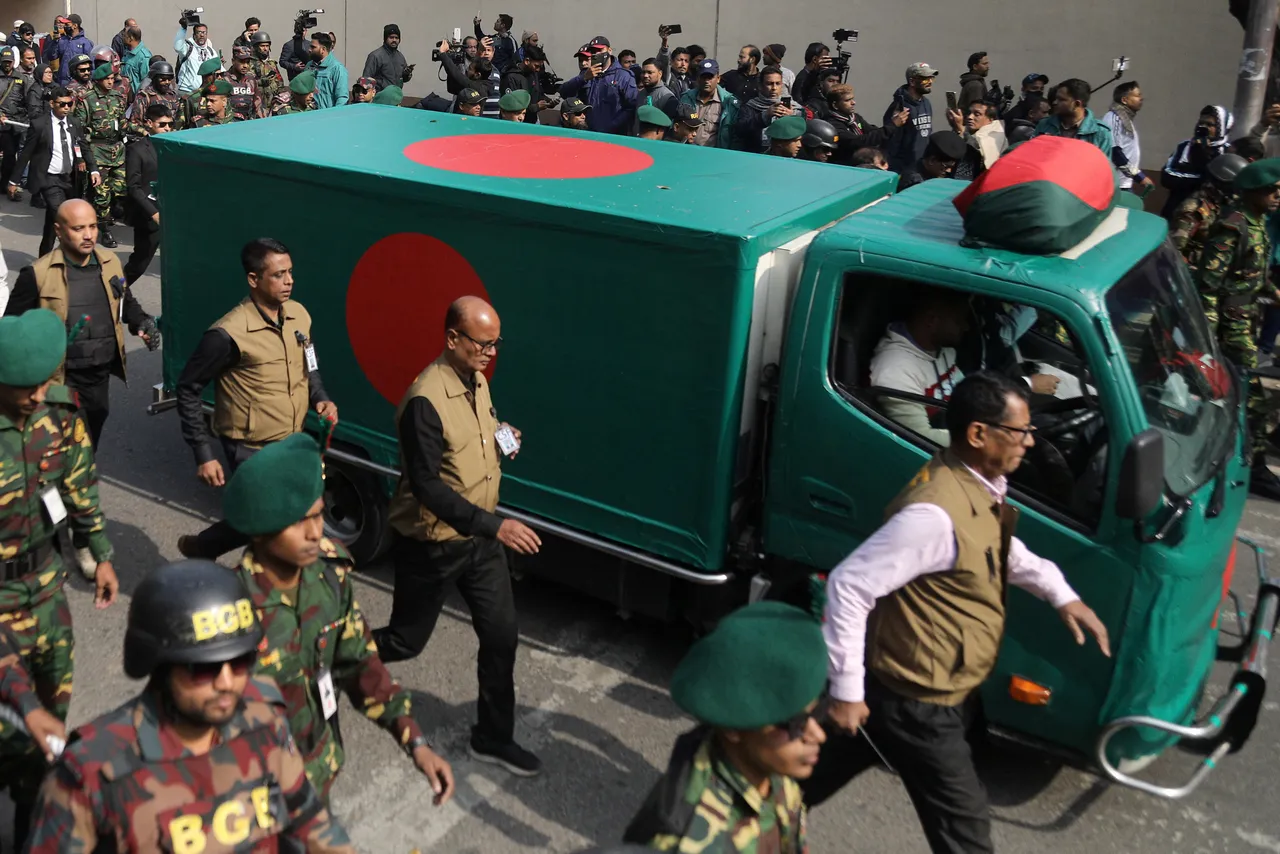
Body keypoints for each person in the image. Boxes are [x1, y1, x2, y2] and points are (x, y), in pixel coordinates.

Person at [805, 371, 1111, 853]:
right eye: (1020, 431)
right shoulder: (933, 515)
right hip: (919, 703)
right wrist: (846, 691)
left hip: (908, 689)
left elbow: (998, 549)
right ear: (977, 434)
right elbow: (850, 585)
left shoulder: (976, 485)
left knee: (800, 776)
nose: (1030, 443)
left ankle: (738, 821)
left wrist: (1060, 592)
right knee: (966, 833)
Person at [23, 559, 356, 853]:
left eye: (241, 662)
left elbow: (310, 821)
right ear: (161, 666)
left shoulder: (265, 720)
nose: (228, 682)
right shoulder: (92, 773)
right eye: (204, 667)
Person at [219, 433, 455, 802]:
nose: (316, 533)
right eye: (299, 522)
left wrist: (415, 741)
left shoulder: (329, 576)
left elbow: (359, 663)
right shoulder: (229, 611)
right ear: (262, 530)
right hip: (253, 797)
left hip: (318, 775)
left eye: (318, 515)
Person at [371, 296, 544, 777]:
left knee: (501, 635)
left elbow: (476, 431)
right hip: (433, 543)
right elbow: (426, 487)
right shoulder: (424, 401)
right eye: (482, 343)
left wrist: (500, 433)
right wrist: (498, 526)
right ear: (452, 339)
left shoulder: (478, 381)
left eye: (496, 343)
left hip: (479, 543)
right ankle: (328, 650)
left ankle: (492, 737)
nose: (490, 352)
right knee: (406, 642)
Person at [0, 308, 119, 850]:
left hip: (47, 589)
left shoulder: (59, 412)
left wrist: (101, 553)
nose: (33, 396)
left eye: (40, 383)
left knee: (47, 721)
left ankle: (31, 822)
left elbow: (79, 487)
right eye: (21, 388)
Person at [176, 237, 337, 559]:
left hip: (292, 439)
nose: (289, 281)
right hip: (250, 447)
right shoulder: (226, 335)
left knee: (269, 518)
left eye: (290, 272)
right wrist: (202, 453)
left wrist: (320, 396)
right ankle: (248, 583)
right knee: (275, 525)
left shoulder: (299, 316)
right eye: (278, 275)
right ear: (254, 279)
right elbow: (188, 388)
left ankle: (204, 548)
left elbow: (310, 363)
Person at [623, 602, 827, 851]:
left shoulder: (764, 768)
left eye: (818, 712)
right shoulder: (692, 842)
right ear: (733, 728)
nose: (818, 734)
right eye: (795, 724)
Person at [5, 197, 159, 451]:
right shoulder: (37, 275)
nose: (88, 235)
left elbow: (125, 300)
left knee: (87, 445)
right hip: (59, 382)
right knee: (57, 452)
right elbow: (11, 331)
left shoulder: (110, 263)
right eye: (78, 229)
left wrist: (141, 322)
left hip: (98, 377)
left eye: (93, 227)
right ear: (59, 231)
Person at [1195, 159, 1280, 500]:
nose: (1277, 195)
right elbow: (1208, 285)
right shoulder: (1233, 226)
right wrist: (1210, 337)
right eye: (1271, 190)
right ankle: (1252, 467)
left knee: (1234, 399)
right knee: (1253, 400)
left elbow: (1253, 278)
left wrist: (1274, 295)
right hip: (1230, 328)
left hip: (1244, 320)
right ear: (1252, 192)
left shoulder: (1258, 223)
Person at [869, 286, 970, 444]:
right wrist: (985, 439)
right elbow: (919, 438)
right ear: (932, 321)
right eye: (959, 320)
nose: (966, 327)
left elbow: (968, 394)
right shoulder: (896, 370)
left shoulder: (944, 351)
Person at [5, 86, 97, 256]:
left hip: (69, 178)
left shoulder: (74, 123)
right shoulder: (39, 124)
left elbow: (83, 147)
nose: (67, 108)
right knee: (64, 215)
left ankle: (44, 255)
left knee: (52, 221)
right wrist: (14, 180)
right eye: (62, 104)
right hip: (49, 179)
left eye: (69, 104)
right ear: (52, 104)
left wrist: (94, 170)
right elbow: (26, 153)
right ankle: (69, 256)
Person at [1170, 152, 1247, 269]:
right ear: (1223, 182)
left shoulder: (1225, 202)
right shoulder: (1194, 209)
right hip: (1198, 272)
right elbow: (1175, 250)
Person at [123, 103, 170, 284]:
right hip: (149, 215)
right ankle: (114, 294)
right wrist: (153, 213)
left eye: (170, 125)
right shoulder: (137, 150)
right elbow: (134, 187)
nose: (167, 129)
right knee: (139, 264)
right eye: (163, 125)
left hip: (172, 212)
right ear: (149, 123)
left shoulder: (172, 147)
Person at [1161, 106, 1234, 217]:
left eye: (1210, 125)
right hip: (1177, 210)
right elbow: (1166, 177)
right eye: (1201, 123)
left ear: (1222, 128)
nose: (1202, 127)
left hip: (1210, 215)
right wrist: (1201, 179)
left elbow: (1225, 185)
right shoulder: (1184, 147)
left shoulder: (1228, 152)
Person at [558, 38, 638, 135]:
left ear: (609, 51)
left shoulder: (623, 76)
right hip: (588, 132)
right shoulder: (587, 73)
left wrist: (611, 126)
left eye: (599, 50)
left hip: (614, 135)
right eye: (593, 51)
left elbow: (631, 107)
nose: (596, 54)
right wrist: (583, 78)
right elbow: (564, 92)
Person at [826, 83, 907, 163]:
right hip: (845, 166)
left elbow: (872, 132)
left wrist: (893, 123)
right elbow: (860, 141)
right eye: (847, 100)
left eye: (852, 99)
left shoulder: (854, 117)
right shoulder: (832, 125)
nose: (853, 103)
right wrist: (892, 125)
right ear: (835, 105)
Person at [1034, 78, 1114, 157]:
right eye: (1056, 98)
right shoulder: (1044, 125)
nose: (1055, 102)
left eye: (1061, 99)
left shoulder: (1100, 133)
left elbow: (1103, 167)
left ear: (1077, 104)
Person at [1100, 81, 1152, 196]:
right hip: (1115, 186)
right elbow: (1114, 152)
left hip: (1123, 184)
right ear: (1124, 100)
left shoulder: (1125, 120)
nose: (1141, 98)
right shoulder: (1114, 118)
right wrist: (1139, 176)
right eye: (1137, 95)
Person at [884, 62, 937, 173]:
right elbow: (892, 142)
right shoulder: (899, 106)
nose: (930, 82)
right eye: (925, 79)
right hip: (904, 170)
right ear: (912, 81)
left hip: (921, 167)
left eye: (931, 78)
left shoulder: (926, 103)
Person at [733, 65, 800, 153]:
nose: (774, 88)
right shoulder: (750, 107)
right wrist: (764, 115)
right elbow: (740, 130)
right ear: (760, 86)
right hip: (757, 155)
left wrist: (792, 118)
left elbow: (804, 131)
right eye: (769, 84)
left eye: (778, 83)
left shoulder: (794, 107)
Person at [677, 58, 740, 149]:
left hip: (715, 156)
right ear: (698, 78)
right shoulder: (686, 98)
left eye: (710, 77)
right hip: (687, 151)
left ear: (718, 79)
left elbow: (734, 136)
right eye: (703, 77)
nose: (707, 81)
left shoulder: (729, 103)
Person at [948, 99, 1005, 177]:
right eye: (969, 113)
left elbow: (976, 147)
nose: (970, 117)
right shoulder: (967, 131)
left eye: (977, 114)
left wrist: (960, 129)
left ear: (990, 120)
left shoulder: (993, 136)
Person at [898, 130, 967, 190]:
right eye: (946, 167)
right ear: (932, 160)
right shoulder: (915, 182)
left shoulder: (933, 173)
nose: (949, 171)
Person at [0, 47, 27, 196]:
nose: (6, 65)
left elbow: (27, 99)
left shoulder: (22, 78)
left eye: (9, 62)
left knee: (13, 155)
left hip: (16, 123)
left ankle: (7, 184)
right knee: (7, 155)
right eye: (4, 62)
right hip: (1, 122)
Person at [128, 60, 180, 133]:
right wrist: (145, 133)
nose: (167, 82)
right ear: (154, 78)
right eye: (163, 79)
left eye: (169, 79)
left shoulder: (173, 96)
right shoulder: (145, 96)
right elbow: (134, 123)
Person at [501, 43, 549, 121]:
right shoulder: (511, 77)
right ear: (527, 61)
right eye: (536, 66)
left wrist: (548, 102)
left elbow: (538, 94)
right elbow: (511, 105)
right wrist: (536, 107)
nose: (538, 70)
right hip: (516, 123)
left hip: (533, 120)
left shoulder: (534, 74)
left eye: (540, 67)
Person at [173, 13, 217, 94]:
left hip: (204, 92)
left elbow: (217, 70)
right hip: (186, 91)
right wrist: (183, 28)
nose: (202, 35)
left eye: (204, 32)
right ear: (194, 35)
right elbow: (177, 47)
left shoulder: (211, 51)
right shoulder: (187, 48)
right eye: (199, 32)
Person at [363, 23, 414, 92]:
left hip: (395, 97)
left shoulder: (400, 57)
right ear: (385, 38)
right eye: (391, 37)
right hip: (379, 97)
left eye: (396, 38)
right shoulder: (375, 56)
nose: (394, 40)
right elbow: (366, 80)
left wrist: (406, 75)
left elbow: (403, 79)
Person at [45, 14, 92, 85]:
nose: (64, 26)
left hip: (79, 83)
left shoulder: (85, 43)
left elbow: (91, 64)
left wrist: (89, 81)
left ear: (75, 26)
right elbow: (51, 56)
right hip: (63, 82)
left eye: (67, 24)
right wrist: (54, 42)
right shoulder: (62, 40)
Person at [307, 32, 348, 109]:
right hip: (309, 115)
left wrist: (334, 117)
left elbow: (342, 98)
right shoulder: (309, 65)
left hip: (326, 116)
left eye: (313, 47)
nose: (309, 49)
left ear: (323, 49)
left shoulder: (337, 69)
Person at [226, 45, 263, 121]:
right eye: (242, 62)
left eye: (247, 62)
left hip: (249, 122)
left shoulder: (251, 80)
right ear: (233, 61)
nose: (245, 66)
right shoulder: (224, 80)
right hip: (230, 123)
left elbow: (258, 104)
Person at [250, 31, 285, 107]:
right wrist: (260, 82)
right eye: (262, 46)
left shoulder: (271, 64)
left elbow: (280, 82)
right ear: (255, 46)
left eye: (267, 46)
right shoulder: (249, 63)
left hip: (272, 103)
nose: (265, 49)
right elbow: (245, 82)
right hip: (255, 104)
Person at [635, 57, 675, 121]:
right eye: (643, 72)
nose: (645, 75)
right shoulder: (640, 94)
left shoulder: (667, 97)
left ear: (660, 74)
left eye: (649, 72)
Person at [792, 42, 831, 107]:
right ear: (815, 59)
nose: (827, 62)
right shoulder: (803, 78)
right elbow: (798, 101)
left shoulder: (817, 76)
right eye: (825, 59)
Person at [656, 30, 692, 98]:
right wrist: (664, 42)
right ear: (671, 61)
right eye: (680, 60)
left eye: (686, 61)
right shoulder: (667, 75)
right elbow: (663, 59)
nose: (683, 64)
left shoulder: (689, 81)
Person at [118, 25, 151, 95]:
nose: (122, 38)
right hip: (124, 96)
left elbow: (146, 81)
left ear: (131, 38)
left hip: (136, 99)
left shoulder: (144, 57)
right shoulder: (127, 52)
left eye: (124, 36)